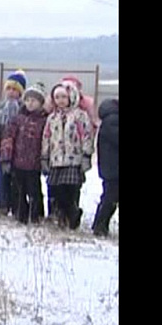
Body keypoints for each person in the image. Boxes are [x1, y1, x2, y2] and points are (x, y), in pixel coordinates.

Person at [41, 82, 94, 230]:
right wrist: (44, 157)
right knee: (57, 190)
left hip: (73, 160)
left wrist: (86, 155)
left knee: (71, 190)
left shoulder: (80, 116)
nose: (60, 100)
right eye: (57, 97)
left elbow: (87, 135)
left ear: (72, 97)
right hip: (56, 160)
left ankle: (72, 216)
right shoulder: (52, 118)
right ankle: (61, 216)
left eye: (64, 97)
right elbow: (46, 137)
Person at [0, 83, 48, 225]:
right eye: (28, 100)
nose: (30, 103)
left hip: (34, 164)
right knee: (18, 191)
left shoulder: (44, 120)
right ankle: (20, 214)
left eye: (34, 100)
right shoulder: (18, 119)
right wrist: (6, 158)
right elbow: (8, 139)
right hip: (18, 162)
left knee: (35, 191)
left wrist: (45, 159)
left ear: (40, 103)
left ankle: (36, 215)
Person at [0, 70, 26, 217]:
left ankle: (16, 207)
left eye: (15, 89)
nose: (11, 92)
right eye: (9, 88)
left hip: (19, 150)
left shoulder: (24, 109)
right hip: (1, 149)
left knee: (16, 179)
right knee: (1, 178)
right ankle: (2, 205)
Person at [91, 98, 118, 237]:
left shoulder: (111, 118)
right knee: (110, 199)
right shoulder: (113, 120)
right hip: (113, 170)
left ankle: (99, 225)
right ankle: (100, 226)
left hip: (111, 169)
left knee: (109, 198)